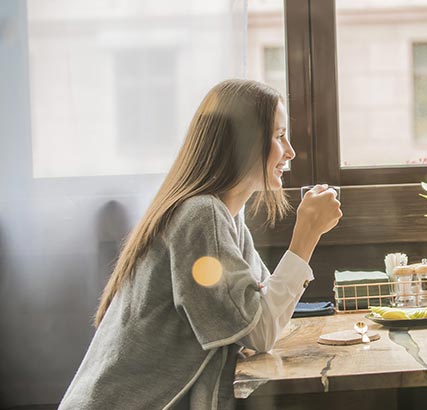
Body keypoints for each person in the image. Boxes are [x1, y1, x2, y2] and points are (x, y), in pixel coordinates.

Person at [59, 79, 342, 409]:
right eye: (279, 136)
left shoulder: (225, 217)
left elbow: (262, 314)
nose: (290, 151)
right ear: (244, 143)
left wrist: (253, 321)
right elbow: (261, 332)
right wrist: (306, 235)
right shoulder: (201, 215)